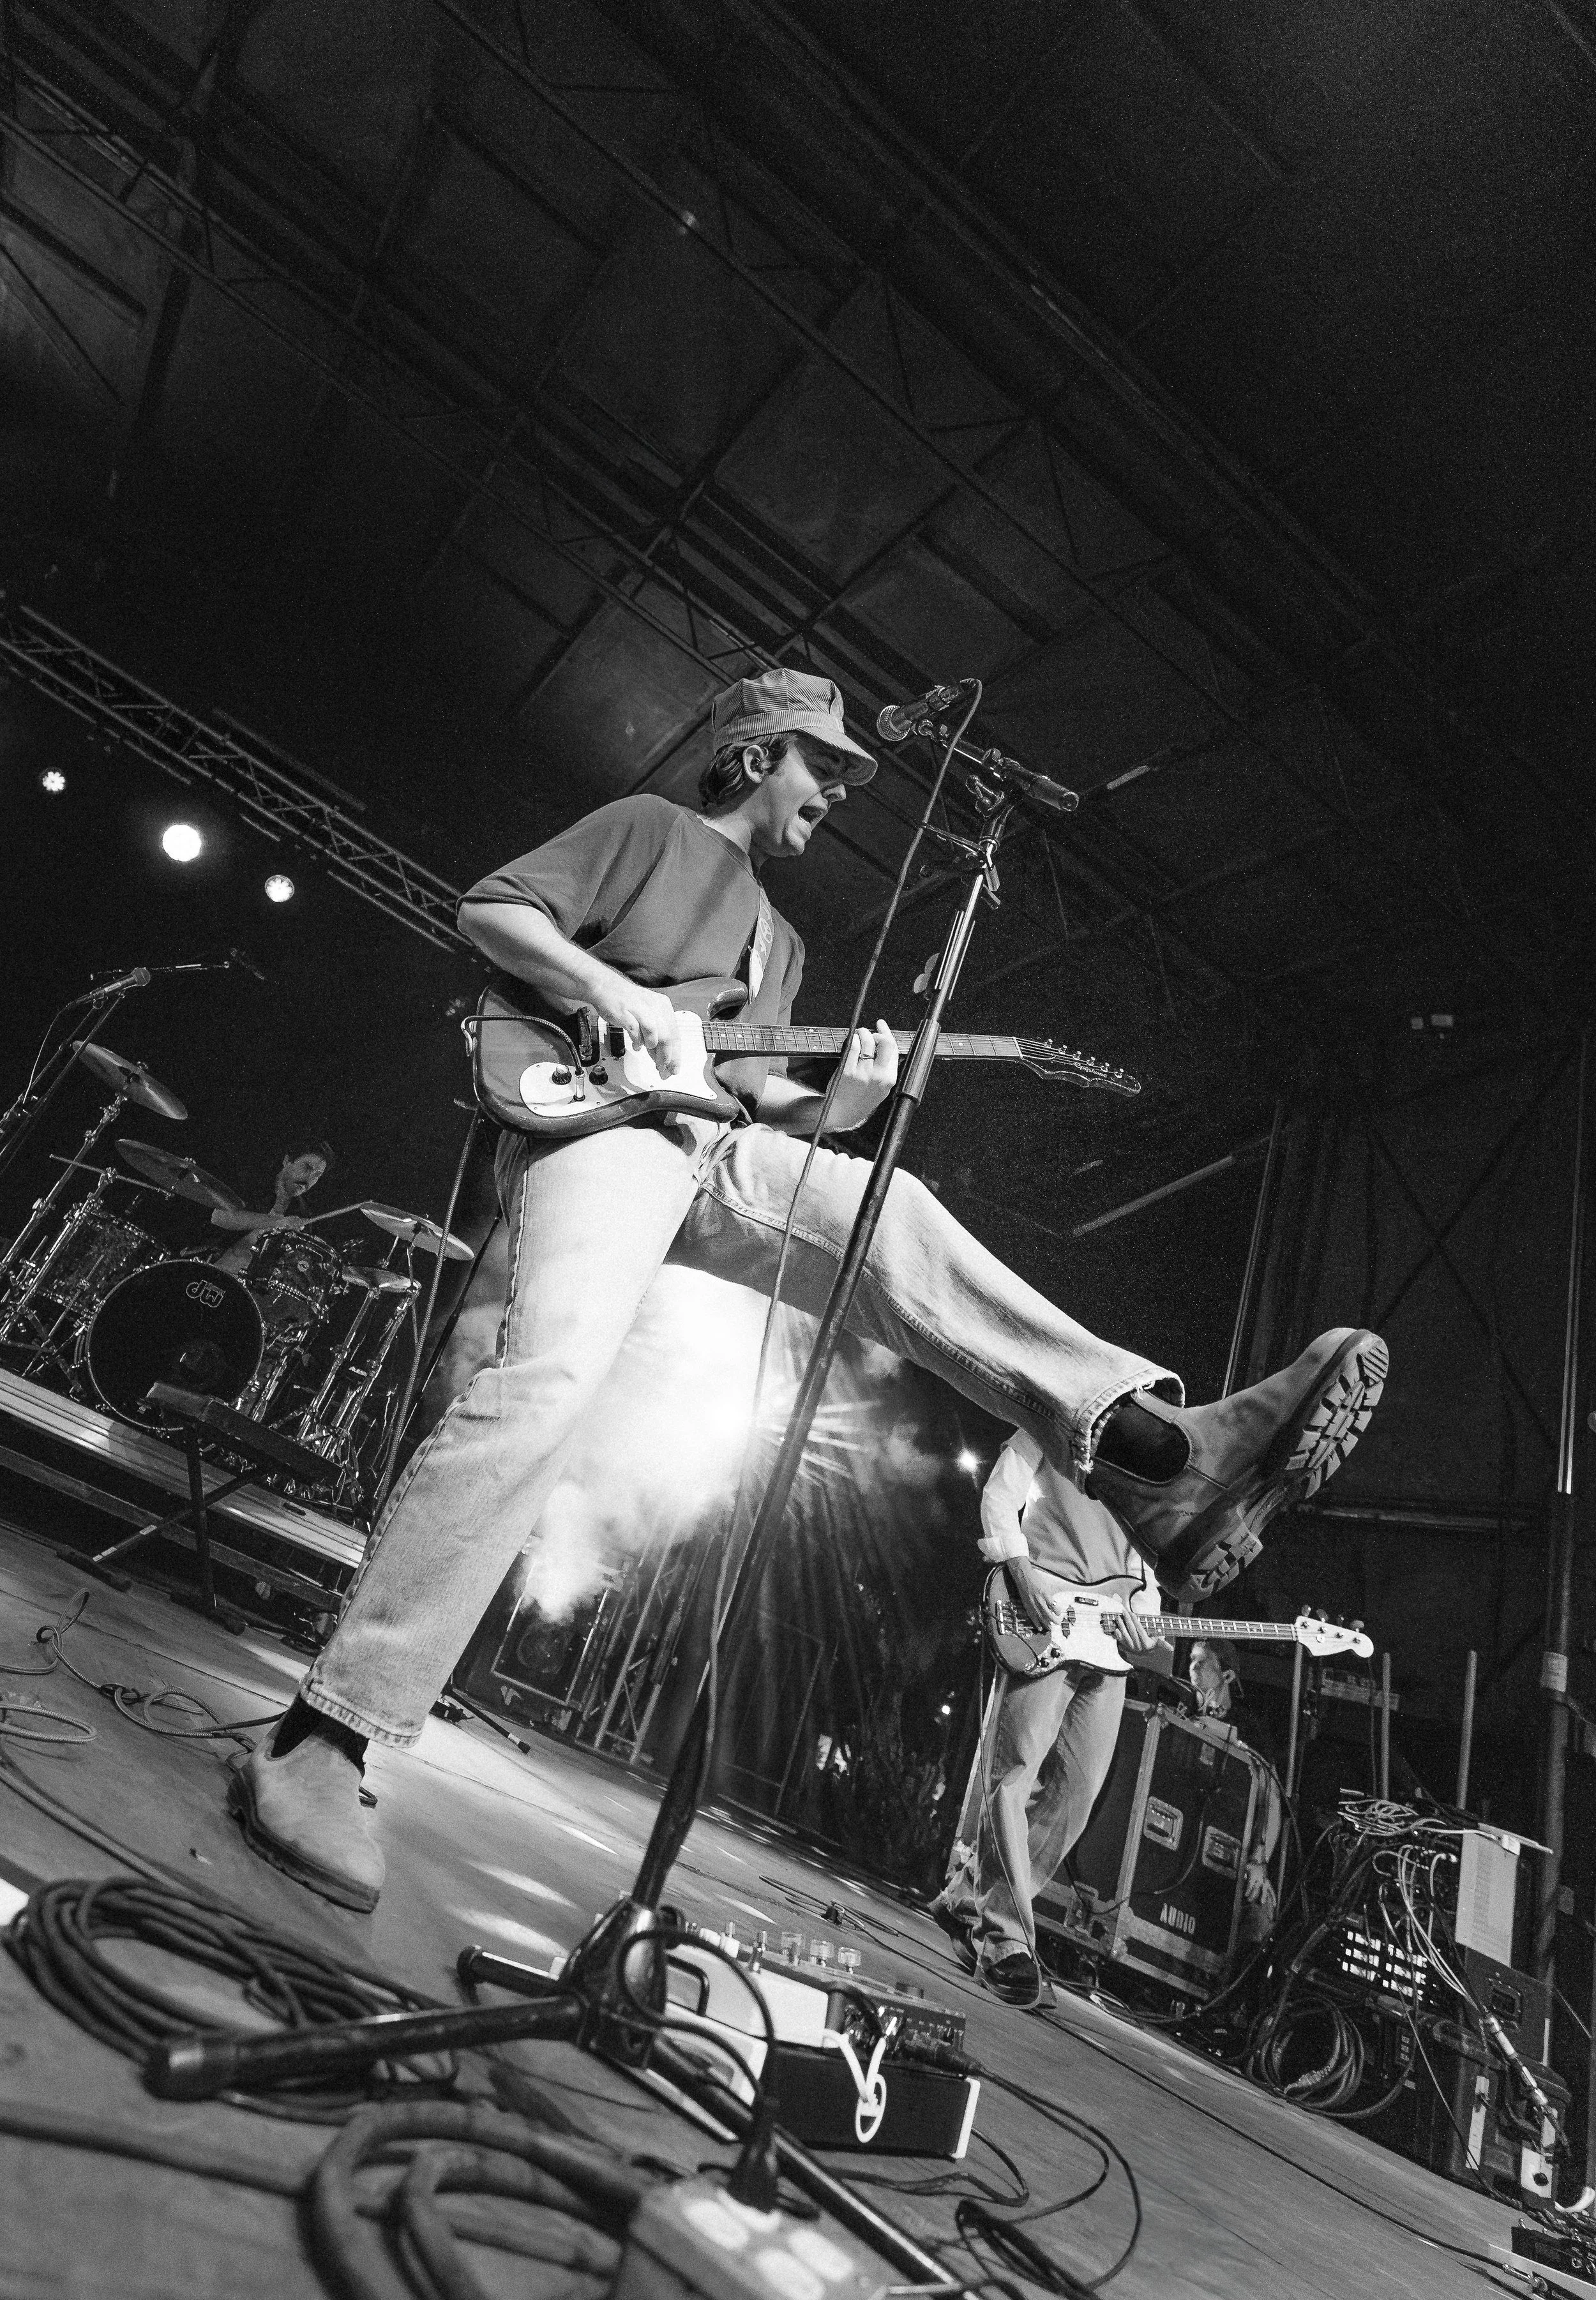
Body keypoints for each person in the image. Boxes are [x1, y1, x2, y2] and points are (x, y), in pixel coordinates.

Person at [226, 666, 1387, 1912]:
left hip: (709, 1149)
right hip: (598, 1128)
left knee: (889, 1210)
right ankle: (325, 1734)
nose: (835, 789)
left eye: (843, 772)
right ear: (745, 753)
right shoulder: (650, 832)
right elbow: (493, 912)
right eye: (816, 763)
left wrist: (841, 1103)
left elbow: (754, 1095)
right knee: (547, 1381)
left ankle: (1155, 1453)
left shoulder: (775, 945)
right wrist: (613, 997)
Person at [933, 1432, 1168, 2006]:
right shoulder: (1056, 1425)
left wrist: (1146, 1620)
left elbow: (1146, 1573)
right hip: (1044, 1619)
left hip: (1109, 1647)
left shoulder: (1159, 1472)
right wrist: (1020, 1569)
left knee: (1080, 1792)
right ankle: (1006, 1939)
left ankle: (970, 1898)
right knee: (1013, 1775)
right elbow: (1001, 1491)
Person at [1187, 1635, 1282, 1947]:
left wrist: (1259, 1862)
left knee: (1259, 1915)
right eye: (1191, 1661)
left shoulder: (1250, 1728)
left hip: (1236, 1852)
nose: (1192, 1669)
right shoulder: (1183, 1710)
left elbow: (1272, 1800)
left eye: (1202, 1663)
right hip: (1185, 1837)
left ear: (1226, 1676)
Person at [209, 1140, 336, 1276]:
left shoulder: (303, 1213)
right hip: (211, 1262)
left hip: (248, 1284)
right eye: (307, 1167)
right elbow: (219, 1217)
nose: (310, 1178)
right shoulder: (253, 1181)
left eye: (317, 1175)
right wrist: (276, 1223)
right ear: (287, 1161)